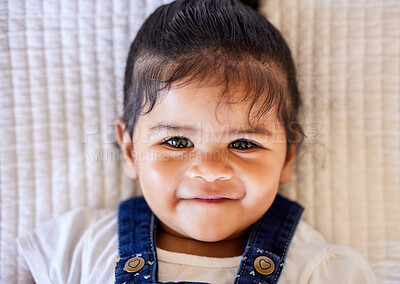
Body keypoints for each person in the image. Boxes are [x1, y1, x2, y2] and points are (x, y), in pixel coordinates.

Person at [18, 0, 377, 283]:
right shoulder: (77, 247)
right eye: (176, 142)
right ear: (129, 149)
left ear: (288, 156)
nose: (209, 171)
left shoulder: (323, 271)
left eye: (243, 144)